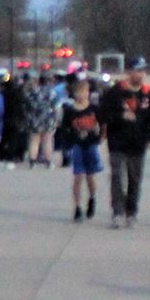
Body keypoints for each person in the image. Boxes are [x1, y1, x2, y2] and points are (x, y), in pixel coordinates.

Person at [96, 60, 150, 228]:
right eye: (135, 70)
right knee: (117, 176)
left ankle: (131, 211)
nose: (139, 74)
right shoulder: (115, 92)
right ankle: (117, 212)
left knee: (135, 178)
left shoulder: (148, 94)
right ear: (128, 72)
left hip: (138, 143)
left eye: (142, 71)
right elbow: (102, 114)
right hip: (118, 141)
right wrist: (120, 116)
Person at [55, 74, 104, 221]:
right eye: (78, 92)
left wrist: (99, 137)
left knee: (90, 176)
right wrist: (67, 143)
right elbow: (64, 128)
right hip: (77, 145)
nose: (81, 95)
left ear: (88, 92)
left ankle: (92, 198)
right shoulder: (70, 110)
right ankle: (77, 207)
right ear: (73, 93)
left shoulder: (94, 109)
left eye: (84, 91)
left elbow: (102, 125)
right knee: (78, 177)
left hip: (91, 145)